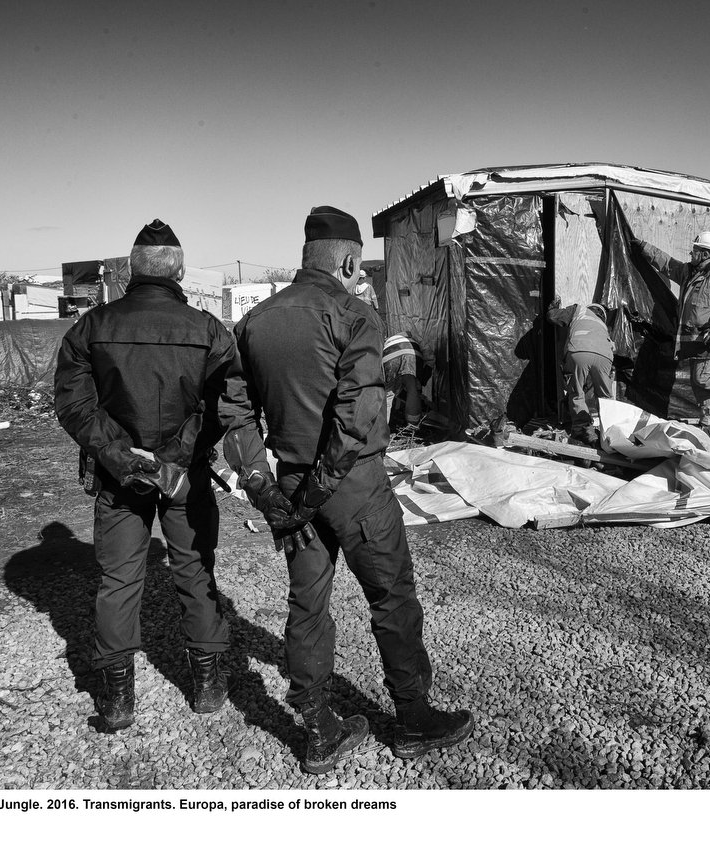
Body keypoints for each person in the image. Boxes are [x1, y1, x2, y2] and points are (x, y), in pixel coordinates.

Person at [220, 205, 473, 774]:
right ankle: (411, 718)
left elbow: (234, 413)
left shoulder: (256, 322)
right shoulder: (353, 314)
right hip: (351, 485)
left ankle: (319, 729)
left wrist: (263, 485)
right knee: (391, 596)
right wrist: (318, 488)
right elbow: (357, 417)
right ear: (350, 260)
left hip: (288, 484)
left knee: (307, 604)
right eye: (359, 269)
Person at [54, 219, 234, 732]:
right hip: (185, 477)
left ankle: (117, 701)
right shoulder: (206, 330)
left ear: (132, 269)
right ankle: (206, 686)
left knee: (118, 579)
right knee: (195, 569)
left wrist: (120, 458)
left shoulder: (91, 327)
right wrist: (173, 459)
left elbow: (74, 403)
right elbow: (225, 405)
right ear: (179, 269)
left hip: (120, 480)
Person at [632, 230, 710, 459]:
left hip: (709, 340)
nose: (691, 253)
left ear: (706, 254)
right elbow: (666, 263)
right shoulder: (688, 272)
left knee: (703, 378)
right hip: (690, 342)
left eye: (696, 250)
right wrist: (644, 247)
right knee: (701, 390)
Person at [545, 296, 615, 446]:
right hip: (605, 357)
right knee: (605, 397)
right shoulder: (603, 327)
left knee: (577, 393)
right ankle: (611, 432)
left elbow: (553, 317)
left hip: (580, 352)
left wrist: (553, 309)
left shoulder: (579, 310)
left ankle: (581, 430)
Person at [382, 331, 430, 427]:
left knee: (388, 394)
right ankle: (412, 425)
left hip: (390, 355)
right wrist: (423, 379)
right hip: (413, 355)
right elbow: (430, 356)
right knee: (412, 389)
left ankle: (382, 428)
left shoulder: (387, 340)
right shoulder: (414, 336)